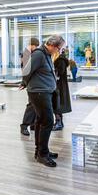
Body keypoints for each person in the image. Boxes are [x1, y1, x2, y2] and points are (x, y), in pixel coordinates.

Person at [21, 35, 65, 168]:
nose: (58, 51)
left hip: (44, 91)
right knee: (47, 122)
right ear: (51, 45)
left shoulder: (46, 54)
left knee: (41, 122)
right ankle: (42, 154)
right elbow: (27, 70)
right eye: (58, 48)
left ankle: (40, 151)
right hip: (38, 92)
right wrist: (24, 82)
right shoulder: (39, 54)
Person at [20, 38, 40, 136]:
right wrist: (24, 82)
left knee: (35, 105)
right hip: (31, 84)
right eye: (35, 46)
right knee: (31, 105)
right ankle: (24, 125)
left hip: (34, 83)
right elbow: (25, 71)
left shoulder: (32, 54)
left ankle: (32, 124)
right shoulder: (27, 54)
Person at [52, 49, 72, 131]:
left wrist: (53, 71)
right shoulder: (59, 59)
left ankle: (58, 123)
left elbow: (60, 72)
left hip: (59, 85)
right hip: (59, 85)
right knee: (57, 104)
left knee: (58, 104)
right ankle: (59, 122)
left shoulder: (60, 60)